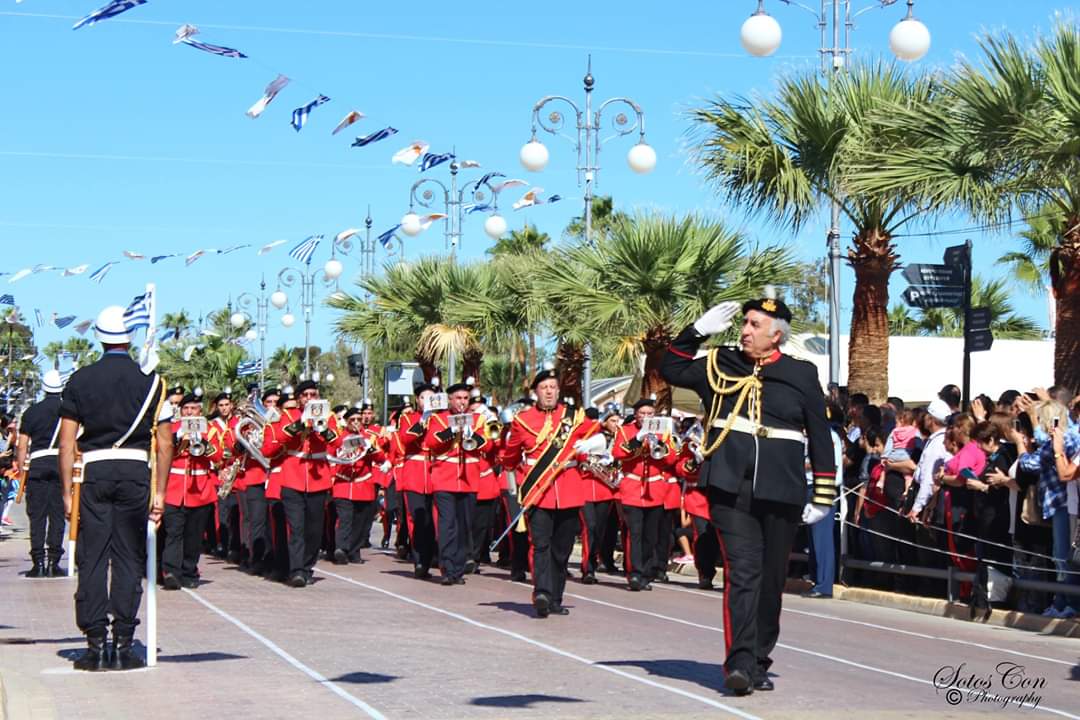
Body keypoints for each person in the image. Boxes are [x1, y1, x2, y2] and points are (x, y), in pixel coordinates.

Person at [661, 295, 836, 696]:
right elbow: (670, 368)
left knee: (771, 581)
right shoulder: (720, 363)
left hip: (782, 490)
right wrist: (696, 331)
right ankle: (739, 662)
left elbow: (820, 435)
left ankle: (758, 657)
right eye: (745, 323)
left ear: (776, 335)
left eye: (755, 325)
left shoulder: (801, 373)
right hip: (730, 487)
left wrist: (823, 493)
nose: (745, 330)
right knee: (743, 574)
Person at [58, 305, 173, 671]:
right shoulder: (152, 382)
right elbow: (166, 443)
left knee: (92, 557)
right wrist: (160, 493)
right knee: (127, 557)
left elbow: (66, 442)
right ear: (130, 336)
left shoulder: (80, 380)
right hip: (136, 471)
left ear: (100, 338)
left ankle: (94, 644)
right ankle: (123, 643)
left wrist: (66, 491)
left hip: (94, 472)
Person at [501, 365, 597, 618]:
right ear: (535, 392)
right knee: (541, 544)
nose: (549, 392)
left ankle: (556, 598)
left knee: (562, 548)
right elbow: (510, 455)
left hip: (569, 488)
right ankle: (542, 592)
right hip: (538, 491)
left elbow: (595, 432)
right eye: (544, 388)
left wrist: (591, 444)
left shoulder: (574, 416)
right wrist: (514, 471)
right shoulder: (523, 420)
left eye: (553, 387)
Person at [266, 379, 341, 587]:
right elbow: (276, 441)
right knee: (296, 528)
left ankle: (307, 567)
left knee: (314, 530)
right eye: (305, 395)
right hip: (293, 477)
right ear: (298, 398)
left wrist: (323, 429)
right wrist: (298, 426)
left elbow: (337, 442)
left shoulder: (329, 416)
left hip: (318, 478)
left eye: (312, 394)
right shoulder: (287, 416)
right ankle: (296, 570)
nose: (309, 398)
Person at [612, 397, 677, 591]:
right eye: (642, 413)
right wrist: (638, 439)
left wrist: (659, 443)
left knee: (651, 536)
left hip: (655, 490)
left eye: (650, 413)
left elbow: (672, 458)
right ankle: (635, 573)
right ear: (636, 415)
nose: (646, 417)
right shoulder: (625, 431)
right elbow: (618, 453)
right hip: (632, 488)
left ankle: (646, 573)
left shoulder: (662, 431)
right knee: (635, 533)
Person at [424, 381, 486, 585]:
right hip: (444, 478)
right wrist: (453, 429)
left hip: (469, 479)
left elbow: (489, 443)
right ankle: (448, 568)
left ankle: (458, 569)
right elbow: (431, 442)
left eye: (465, 398)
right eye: (458, 398)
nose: (462, 402)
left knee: (464, 527)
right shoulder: (439, 419)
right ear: (450, 399)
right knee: (447, 525)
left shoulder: (478, 420)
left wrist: (471, 433)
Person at [161, 392, 219, 589]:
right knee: (173, 533)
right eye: (186, 408)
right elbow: (162, 451)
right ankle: (170, 572)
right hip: (175, 488)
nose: (189, 412)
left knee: (194, 535)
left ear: (199, 410)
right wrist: (178, 438)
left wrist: (202, 442)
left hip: (200, 488)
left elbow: (220, 455)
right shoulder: (173, 428)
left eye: (193, 408)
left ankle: (188, 570)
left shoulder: (210, 430)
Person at [16, 369, 67, 577]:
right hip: (59, 464)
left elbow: (22, 446)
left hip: (37, 465)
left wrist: (21, 471)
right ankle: (54, 563)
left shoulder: (31, 412)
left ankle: (37, 563)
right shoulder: (68, 411)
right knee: (57, 515)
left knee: (36, 516)